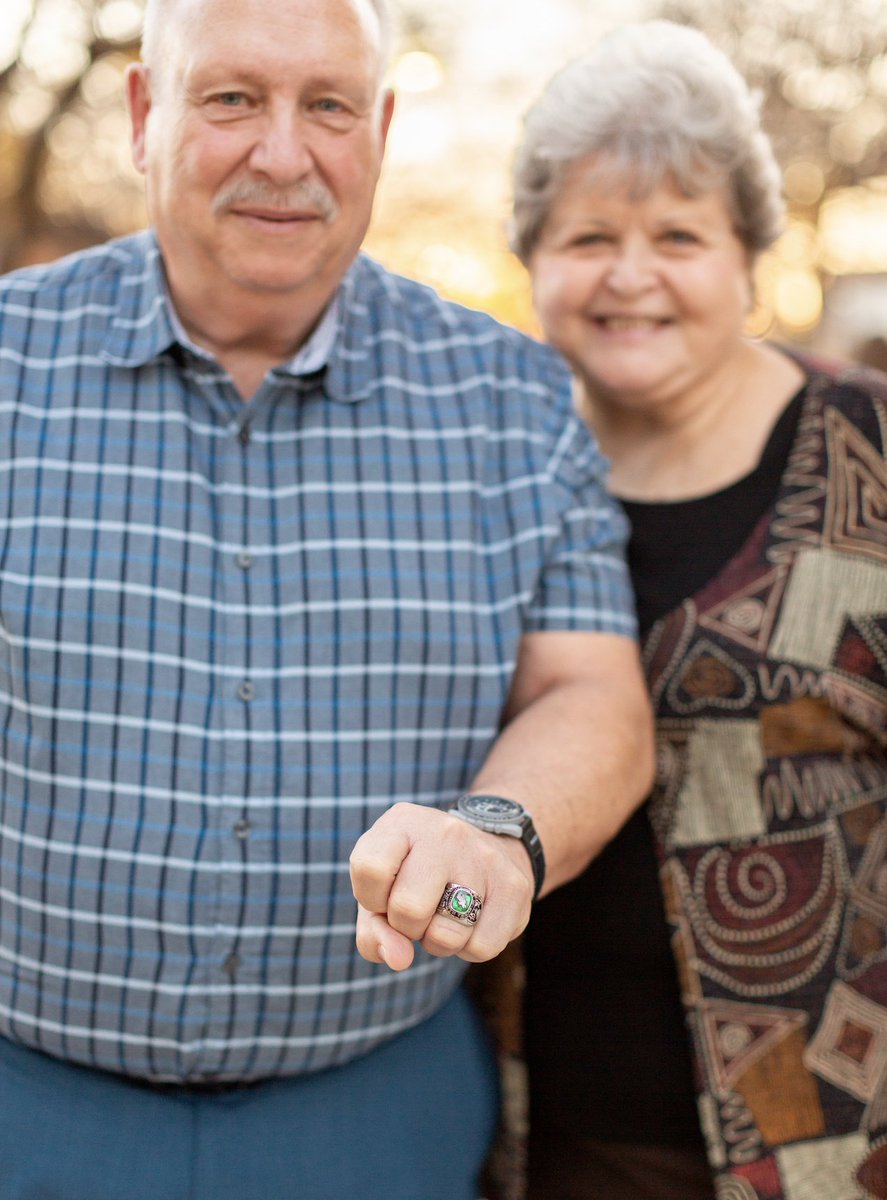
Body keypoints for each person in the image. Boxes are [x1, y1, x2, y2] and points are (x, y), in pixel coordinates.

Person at [0, 1, 655, 1197]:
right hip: (25, 1106)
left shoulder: (511, 396)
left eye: (329, 105)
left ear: (382, 129)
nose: (284, 153)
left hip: (374, 1113)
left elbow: (589, 691)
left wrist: (501, 826)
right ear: (147, 116)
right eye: (232, 98)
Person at [507, 20, 887, 1200]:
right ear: (533, 260)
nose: (630, 275)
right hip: (544, 1130)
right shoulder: (493, 471)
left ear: (746, 262)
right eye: (588, 237)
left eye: (676, 235)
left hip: (836, 1140)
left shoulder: (865, 453)